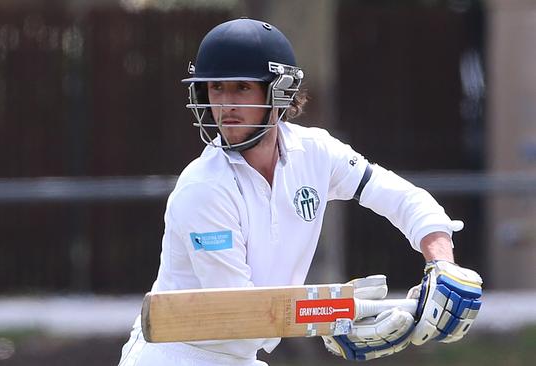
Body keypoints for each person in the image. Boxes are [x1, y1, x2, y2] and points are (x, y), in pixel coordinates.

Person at [118, 18, 482, 365]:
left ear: (280, 92)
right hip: (174, 356)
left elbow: (401, 198)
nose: (225, 105)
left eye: (241, 87)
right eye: (217, 88)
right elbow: (240, 317)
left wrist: (442, 264)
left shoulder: (316, 152)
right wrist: (337, 314)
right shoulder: (203, 189)